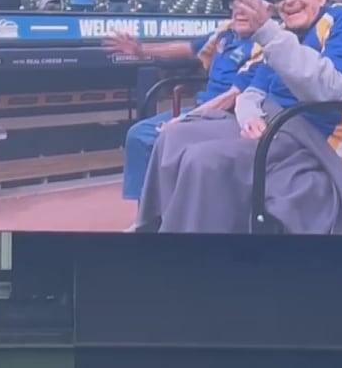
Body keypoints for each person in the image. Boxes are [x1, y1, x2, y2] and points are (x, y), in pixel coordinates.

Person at [134, 0, 342, 234]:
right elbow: (254, 90)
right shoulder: (284, 33)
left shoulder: (341, 18)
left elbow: (330, 90)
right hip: (272, 122)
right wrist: (251, 117)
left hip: (315, 134)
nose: (288, 0)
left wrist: (268, 32)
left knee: (203, 159)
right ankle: (155, 227)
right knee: (172, 138)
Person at [104, 13, 262, 217]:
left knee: (170, 138)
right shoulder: (224, 34)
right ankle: (148, 217)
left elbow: (233, 97)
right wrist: (141, 50)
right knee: (139, 134)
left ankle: (173, 217)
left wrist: (186, 120)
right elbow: (189, 49)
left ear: (263, 9)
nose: (240, 12)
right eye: (237, 6)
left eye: (248, 6)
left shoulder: (263, 45)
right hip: (202, 107)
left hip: (228, 114)